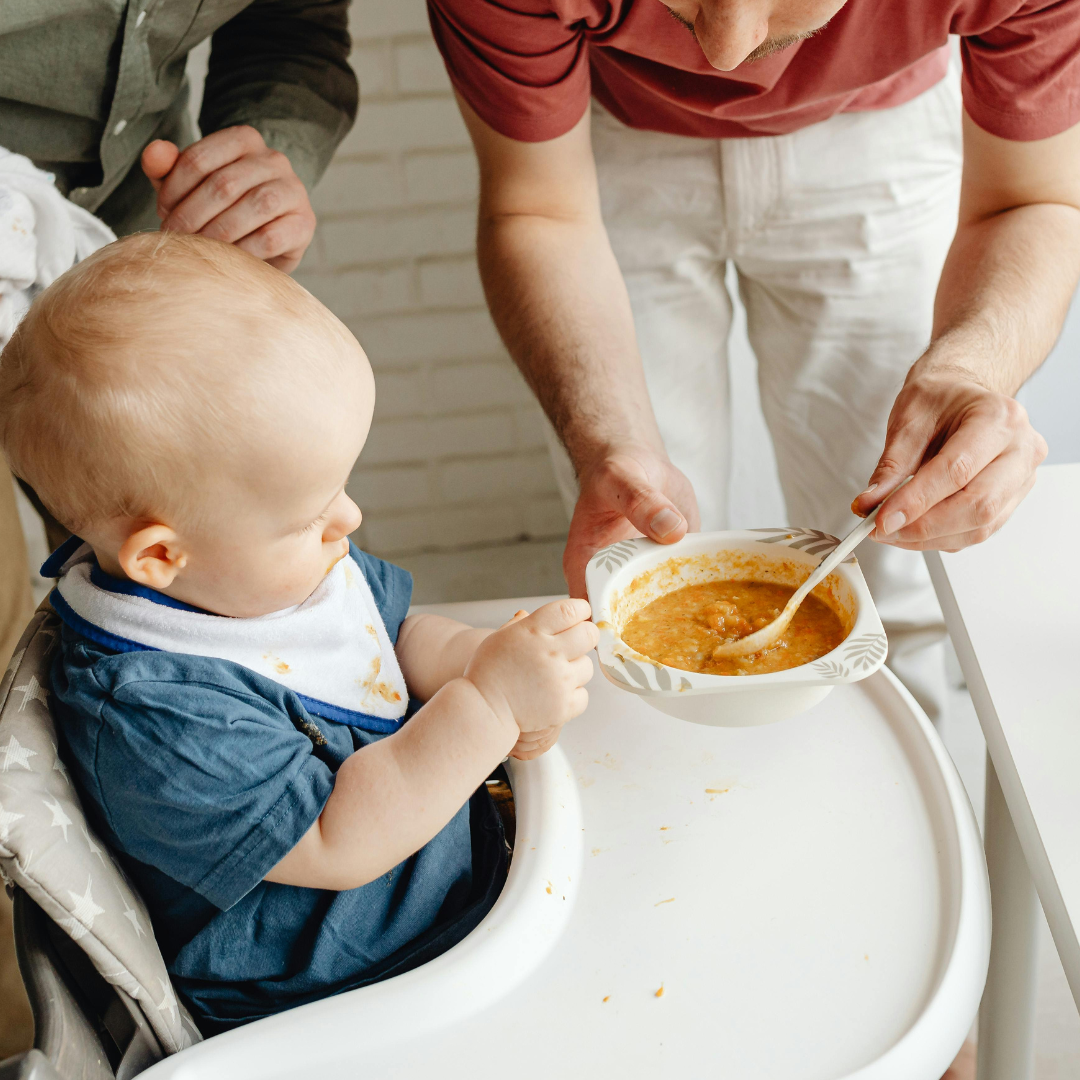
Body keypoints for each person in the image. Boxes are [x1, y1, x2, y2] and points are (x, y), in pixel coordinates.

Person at [0, 232, 598, 1031]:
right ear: (161, 555)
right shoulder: (154, 712)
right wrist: (488, 706)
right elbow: (338, 837)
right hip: (352, 982)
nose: (349, 519)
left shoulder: (241, 565)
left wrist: (483, 658)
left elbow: (389, 640)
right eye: (311, 513)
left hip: (451, 882)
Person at [427, 0, 1078, 725]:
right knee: (641, 539)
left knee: (895, 572)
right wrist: (609, 441)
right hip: (613, 135)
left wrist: (975, 369)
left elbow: (1031, 199)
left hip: (880, 133)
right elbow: (539, 209)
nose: (726, 56)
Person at [0, 0, 360, 667]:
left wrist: (261, 157)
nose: (357, 519)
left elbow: (291, 32)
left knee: (220, 599)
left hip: (138, 249)